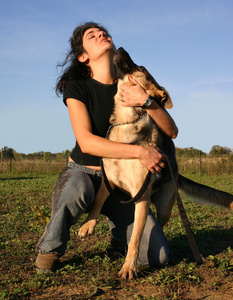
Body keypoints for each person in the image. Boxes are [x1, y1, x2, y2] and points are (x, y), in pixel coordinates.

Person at [35, 22, 178, 273]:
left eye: (104, 33)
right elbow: (86, 141)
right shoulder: (78, 87)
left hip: (122, 180)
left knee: (159, 258)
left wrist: (145, 100)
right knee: (76, 189)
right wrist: (140, 152)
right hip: (86, 171)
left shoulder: (130, 81)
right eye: (92, 36)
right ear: (83, 56)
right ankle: (50, 248)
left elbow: (172, 131)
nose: (102, 35)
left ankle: (119, 237)